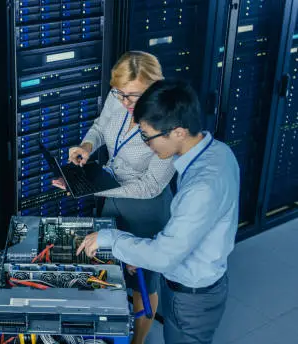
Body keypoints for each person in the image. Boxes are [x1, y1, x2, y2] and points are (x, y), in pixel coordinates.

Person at [76, 79, 240, 344]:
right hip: (199, 283)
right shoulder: (219, 152)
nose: (146, 144)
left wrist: (110, 239)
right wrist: (142, 254)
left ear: (177, 132)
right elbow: (189, 231)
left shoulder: (201, 187)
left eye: (148, 136)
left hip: (191, 299)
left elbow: (164, 257)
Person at [52, 51, 175, 344]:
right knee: (110, 267)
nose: (124, 102)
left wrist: (91, 187)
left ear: (155, 88)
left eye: (132, 96)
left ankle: (137, 342)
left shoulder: (169, 124)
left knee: (142, 282)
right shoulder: (118, 96)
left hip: (146, 209)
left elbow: (150, 186)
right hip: (111, 197)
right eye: (120, 94)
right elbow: (100, 125)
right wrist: (86, 146)